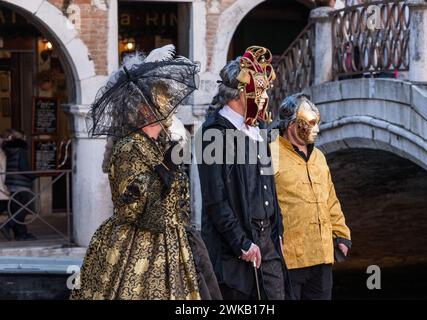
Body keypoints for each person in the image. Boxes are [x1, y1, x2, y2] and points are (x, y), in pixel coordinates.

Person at [71, 45, 220, 300]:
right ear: (144, 108)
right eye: (163, 100)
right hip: (137, 245)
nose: (170, 105)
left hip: (175, 244)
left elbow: (179, 203)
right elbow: (134, 209)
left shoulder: (160, 145)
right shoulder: (129, 148)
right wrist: (164, 169)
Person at [197, 46, 290, 300]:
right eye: (258, 92)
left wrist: (278, 230)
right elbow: (215, 200)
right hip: (236, 250)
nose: (263, 98)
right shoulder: (213, 133)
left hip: (268, 243)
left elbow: (269, 186)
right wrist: (242, 243)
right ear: (239, 94)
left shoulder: (258, 129)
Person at [270, 93, 351, 300]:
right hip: (289, 256)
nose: (317, 129)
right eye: (311, 123)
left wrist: (341, 234)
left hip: (322, 253)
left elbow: (330, 198)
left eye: (318, 122)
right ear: (292, 125)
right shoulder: (270, 154)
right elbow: (261, 202)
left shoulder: (319, 157)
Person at [1, 129, 36, 241]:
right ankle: (7, 225)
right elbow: (23, 167)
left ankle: (21, 234)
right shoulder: (20, 150)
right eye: (24, 137)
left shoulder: (8, 150)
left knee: (17, 209)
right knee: (25, 208)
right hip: (21, 184)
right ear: (21, 138)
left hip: (11, 183)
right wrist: (34, 176)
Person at [0, 130, 11, 240]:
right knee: (3, 204)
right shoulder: (1, 153)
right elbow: (3, 171)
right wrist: (5, 187)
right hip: (0, 185)